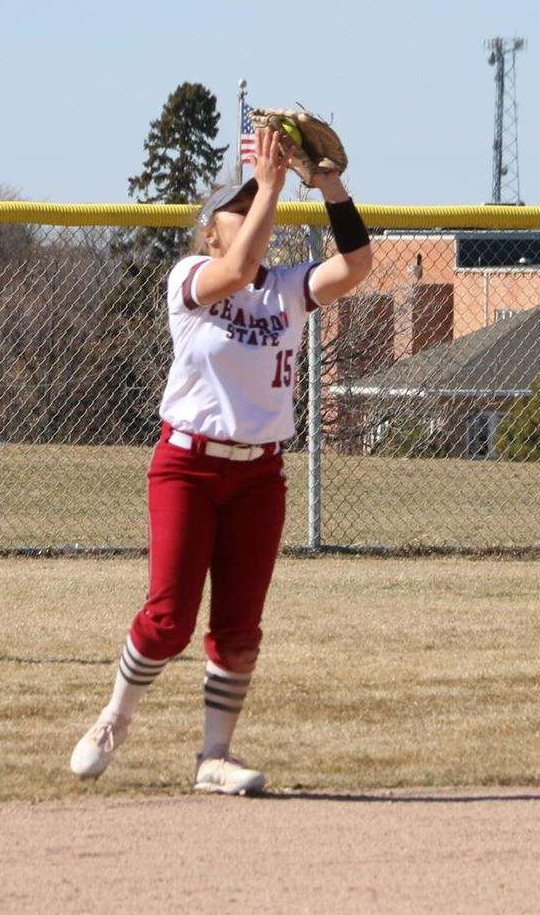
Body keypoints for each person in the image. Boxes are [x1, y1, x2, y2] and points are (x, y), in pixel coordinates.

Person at [67, 126, 373, 794]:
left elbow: (357, 265)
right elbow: (236, 268)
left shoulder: (287, 289)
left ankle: (214, 756)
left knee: (239, 628)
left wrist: (326, 185)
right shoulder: (192, 279)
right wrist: (267, 182)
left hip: (260, 474)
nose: (255, 207)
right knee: (169, 617)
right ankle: (115, 716)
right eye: (238, 205)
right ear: (209, 232)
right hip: (188, 467)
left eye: (255, 201)